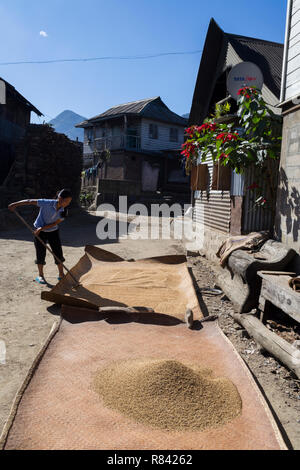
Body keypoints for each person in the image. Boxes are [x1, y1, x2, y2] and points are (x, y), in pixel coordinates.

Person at [8, 189, 72, 284]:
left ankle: (61, 275)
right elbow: (29, 201)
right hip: (39, 232)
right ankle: (40, 276)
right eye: (66, 201)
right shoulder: (46, 203)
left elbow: (55, 223)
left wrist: (41, 228)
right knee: (40, 252)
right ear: (59, 198)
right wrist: (14, 204)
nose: (67, 203)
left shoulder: (64, 211)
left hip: (53, 231)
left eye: (69, 202)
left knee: (58, 252)